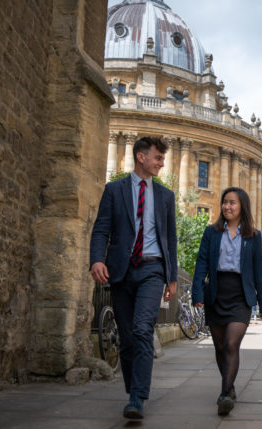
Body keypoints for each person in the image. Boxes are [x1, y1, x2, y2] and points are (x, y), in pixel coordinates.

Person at [90, 136, 177, 420]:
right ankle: (133, 391)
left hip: (152, 268)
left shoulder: (165, 196)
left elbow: (171, 239)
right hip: (121, 270)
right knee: (127, 337)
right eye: (158, 158)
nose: (161, 163)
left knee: (142, 329)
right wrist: (97, 259)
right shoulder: (114, 190)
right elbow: (102, 229)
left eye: (162, 159)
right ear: (141, 157)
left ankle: (138, 397)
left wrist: (172, 276)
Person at [191, 187, 262, 416]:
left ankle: (224, 394)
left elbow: (258, 271)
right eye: (225, 202)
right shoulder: (211, 232)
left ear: (242, 206)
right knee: (220, 347)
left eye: (232, 203)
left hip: (240, 295)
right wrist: (197, 294)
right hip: (216, 292)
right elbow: (201, 264)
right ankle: (230, 385)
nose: (227, 206)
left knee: (232, 344)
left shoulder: (253, 236)